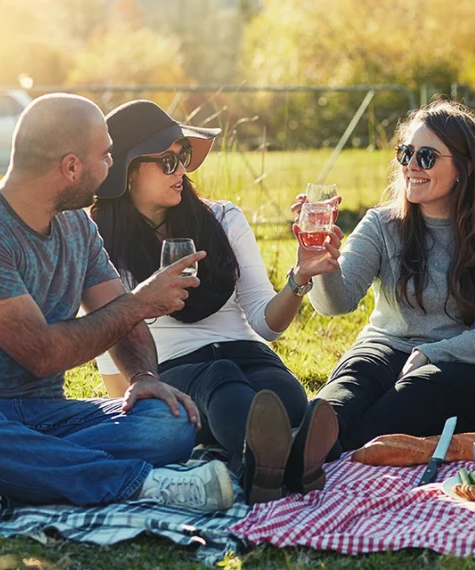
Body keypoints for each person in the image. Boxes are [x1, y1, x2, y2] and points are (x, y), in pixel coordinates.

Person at [0, 94, 232, 511]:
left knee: (169, 422)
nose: (110, 169)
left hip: (49, 415)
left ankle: (15, 476)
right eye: (105, 157)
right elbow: (43, 354)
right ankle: (138, 485)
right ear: (70, 167)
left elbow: (120, 315)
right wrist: (140, 302)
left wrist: (143, 377)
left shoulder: (77, 224)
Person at [89, 100, 341, 505]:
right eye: (167, 162)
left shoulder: (222, 219)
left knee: (285, 393)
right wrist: (137, 400)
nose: (183, 171)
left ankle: (275, 466)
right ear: (128, 172)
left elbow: (265, 325)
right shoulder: (98, 239)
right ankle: (280, 463)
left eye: (183, 156)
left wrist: (299, 277)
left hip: (248, 355)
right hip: (176, 369)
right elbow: (109, 341)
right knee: (222, 381)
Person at [310, 100, 475, 450]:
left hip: (464, 365)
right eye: (406, 153)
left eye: (426, 156)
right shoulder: (382, 224)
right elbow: (336, 303)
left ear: (464, 168)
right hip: (385, 348)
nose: (411, 165)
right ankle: (294, 448)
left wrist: (433, 353)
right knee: (348, 387)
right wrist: (320, 262)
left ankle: (318, 451)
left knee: (415, 391)